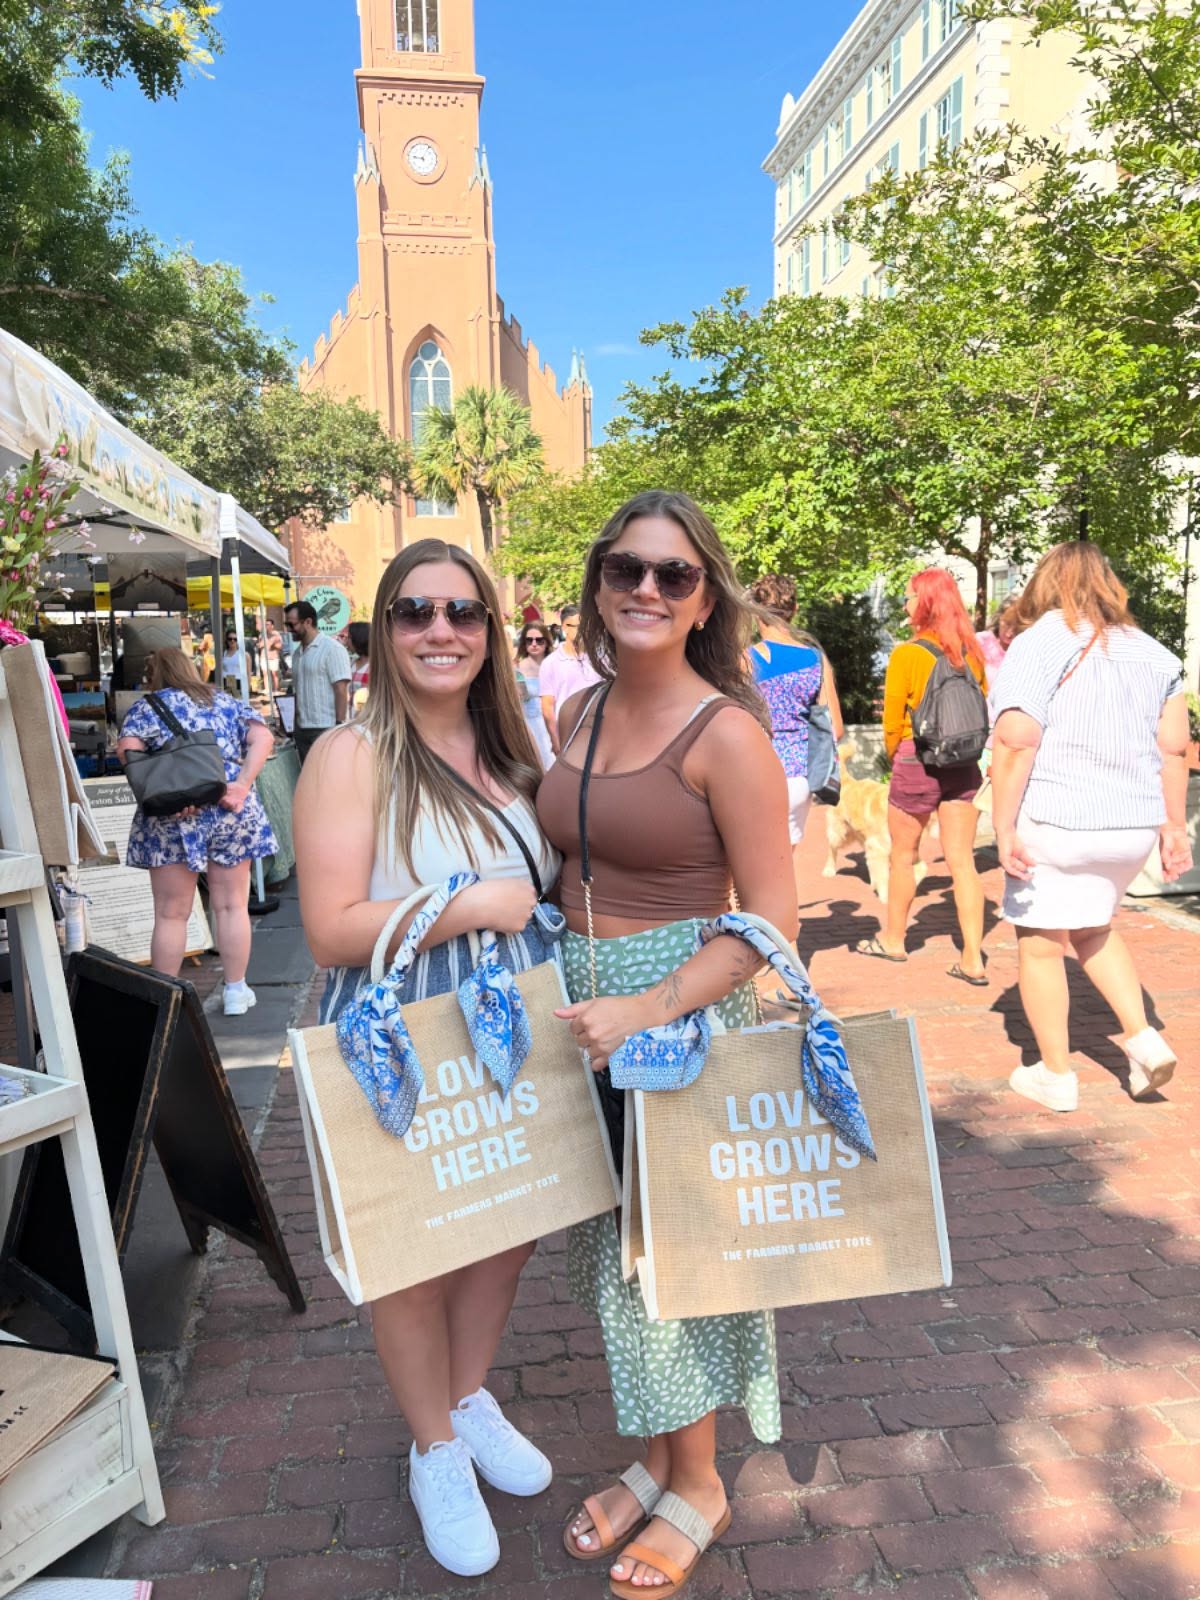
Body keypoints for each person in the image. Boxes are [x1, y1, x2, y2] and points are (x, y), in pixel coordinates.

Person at [537, 490, 797, 1597]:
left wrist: (646, 1006)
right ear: (598, 587)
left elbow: (772, 923)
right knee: (608, 1259)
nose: (646, 589)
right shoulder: (578, 714)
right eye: (626, 570)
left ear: (704, 599)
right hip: (583, 1015)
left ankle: (699, 1480)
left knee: (673, 1257)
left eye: (673, 575)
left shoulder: (726, 733)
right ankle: (654, 1456)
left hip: (674, 1019)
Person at [292, 539, 561, 1579]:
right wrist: (468, 903)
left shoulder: (523, 744)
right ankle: (434, 1448)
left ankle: (466, 1392)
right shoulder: (353, 755)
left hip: (520, 1012)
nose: (440, 630)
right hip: (402, 1020)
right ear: (383, 631)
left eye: (461, 612)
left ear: (490, 631)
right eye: (414, 612)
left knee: (507, 1220)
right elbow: (327, 925)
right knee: (414, 1240)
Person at [990, 541, 1191, 1112]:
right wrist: (1172, 827)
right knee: (1095, 928)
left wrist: (1004, 827)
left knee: (1041, 943)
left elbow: (1015, 739)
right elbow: (1174, 749)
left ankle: (1055, 1075)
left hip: (1058, 818)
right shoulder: (1156, 655)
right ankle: (1142, 1037)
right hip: (1129, 822)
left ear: (1045, 583)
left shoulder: (1041, 641)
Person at [116, 648, 276, 1016]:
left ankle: (167, 1003)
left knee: (171, 914)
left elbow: (127, 752)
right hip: (230, 808)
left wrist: (172, 787)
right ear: (191, 668)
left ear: (154, 675)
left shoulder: (146, 708)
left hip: (173, 817)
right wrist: (241, 783)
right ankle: (236, 991)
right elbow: (262, 738)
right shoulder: (225, 701)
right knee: (232, 904)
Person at [857, 568, 989, 983]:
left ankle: (894, 940)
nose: (906, 603)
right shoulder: (972, 653)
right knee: (962, 862)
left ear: (926, 602)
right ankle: (972, 958)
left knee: (903, 856)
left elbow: (893, 719)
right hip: (964, 763)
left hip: (919, 759)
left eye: (911, 596)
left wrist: (899, 757)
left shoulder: (908, 653)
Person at [747, 572, 845, 867]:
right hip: (799, 780)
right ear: (795, 609)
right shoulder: (816, 659)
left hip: (756, 777)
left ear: (755, 612)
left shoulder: (745, 660)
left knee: (749, 875)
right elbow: (835, 729)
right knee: (781, 870)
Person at [284, 600, 352, 762]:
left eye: (291, 625)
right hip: (302, 729)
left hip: (326, 727)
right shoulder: (297, 654)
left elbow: (341, 690)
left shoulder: (332, 649)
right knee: (309, 780)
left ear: (308, 622)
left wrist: (339, 726)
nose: (288, 630)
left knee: (328, 780)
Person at [539, 603, 601, 754]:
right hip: (567, 735)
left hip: (598, 734)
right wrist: (555, 741)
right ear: (565, 627)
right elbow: (547, 706)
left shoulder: (601, 659)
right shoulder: (550, 663)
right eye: (577, 626)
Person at [513, 620, 554, 769]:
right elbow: (518, 702)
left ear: (547, 641)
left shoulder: (556, 664)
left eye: (539, 640)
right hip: (531, 725)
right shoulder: (518, 668)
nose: (534, 644)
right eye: (529, 640)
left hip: (555, 722)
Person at [347, 620, 371, 706]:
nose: (346, 641)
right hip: (349, 716)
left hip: (366, 716)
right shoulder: (350, 663)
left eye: (349, 637)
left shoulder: (376, 667)